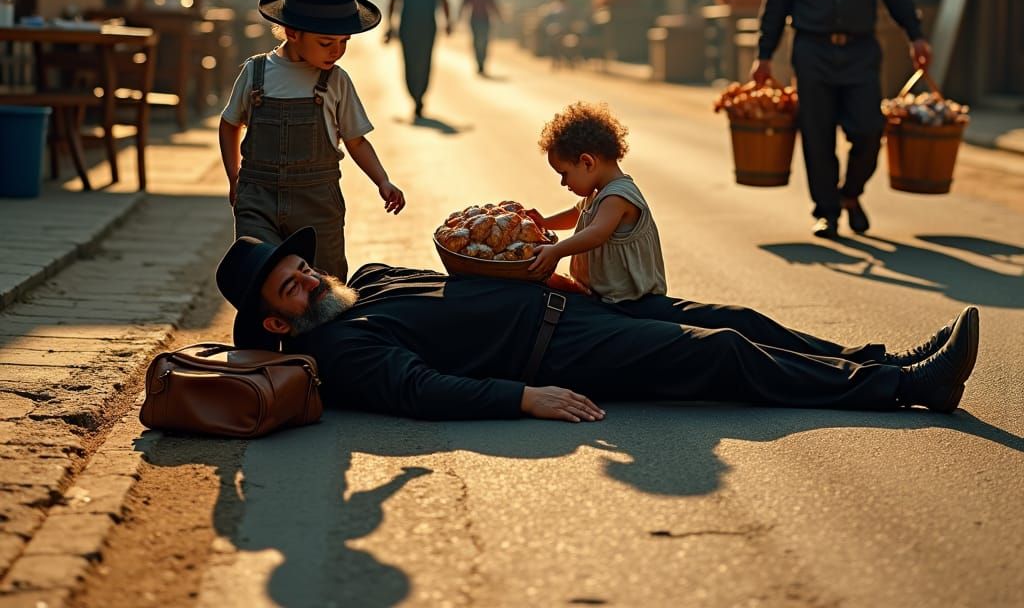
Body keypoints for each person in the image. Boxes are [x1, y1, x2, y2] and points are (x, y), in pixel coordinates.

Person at [215, 228, 981, 421]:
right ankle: (907, 387)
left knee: (734, 311)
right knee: (725, 353)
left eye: (303, 267)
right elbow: (419, 390)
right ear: (277, 324)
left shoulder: (369, 281)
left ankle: (876, 355)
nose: (310, 277)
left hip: (574, 301)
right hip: (565, 347)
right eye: (291, 286)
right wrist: (527, 397)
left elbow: (471, 276)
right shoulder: (343, 348)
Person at [751, 0, 932, 240]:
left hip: (861, 50)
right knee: (817, 136)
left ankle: (850, 194)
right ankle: (827, 212)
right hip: (811, 51)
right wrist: (763, 56)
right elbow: (776, 5)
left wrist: (914, 34)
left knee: (869, 129)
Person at [219, 0, 405, 280]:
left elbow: (356, 139)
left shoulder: (336, 81)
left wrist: (382, 180)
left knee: (325, 283)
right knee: (258, 277)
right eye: (325, 42)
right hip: (258, 198)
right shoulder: (256, 73)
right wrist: (234, 176)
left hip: (317, 203)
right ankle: (266, 329)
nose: (337, 51)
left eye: (344, 41)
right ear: (292, 32)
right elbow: (229, 124)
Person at [525, 102, 666, 303]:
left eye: (564, 174)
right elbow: (574, 215)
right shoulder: (597, 195)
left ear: (587, 162)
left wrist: (556, 251)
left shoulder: (617, 197)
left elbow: (597, 234)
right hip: (603, 295)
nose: (563, 182)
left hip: (628, 301)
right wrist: (544, 223)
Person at [385, 0, 452, 118]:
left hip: (428, 26)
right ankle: (414, 96)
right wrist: (390, 26)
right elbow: (393, 0)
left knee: (425, 62)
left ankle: (420, 97)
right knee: (409, 62)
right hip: (407, 26)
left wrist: (448, 21)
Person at [459, 0, 502, 75]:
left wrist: (499, 15)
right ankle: (479, 63)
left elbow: (492, 4)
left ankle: (482, 63)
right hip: (475, 19)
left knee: (483, 42)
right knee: (478, 42)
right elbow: (464, 5)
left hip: (484, 18)